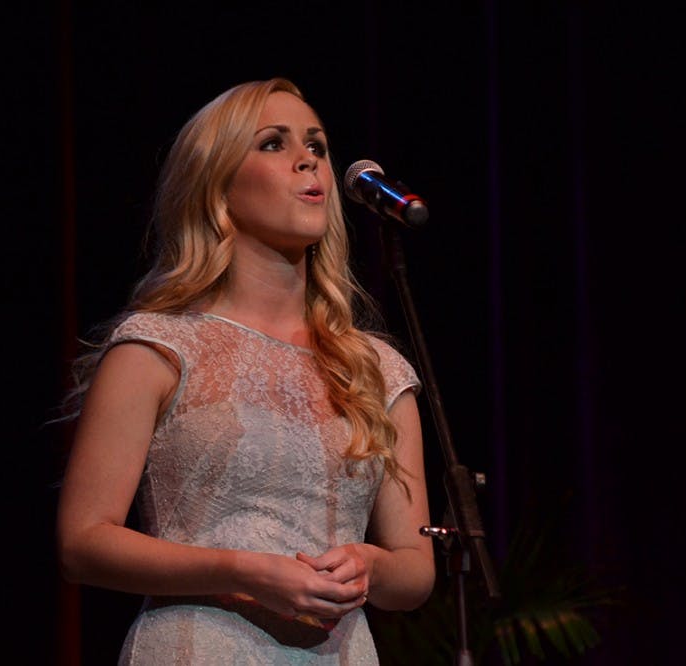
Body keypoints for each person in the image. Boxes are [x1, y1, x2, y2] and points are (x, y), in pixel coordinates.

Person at [56, 77, 435, 664]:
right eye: (273, 143)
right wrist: (245, 571)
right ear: (218, 186)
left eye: (316, 145)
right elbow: (82, 544)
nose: (308, 159)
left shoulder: (376, 369)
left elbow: (415, 572)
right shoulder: (157, 348)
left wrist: (371, 566)